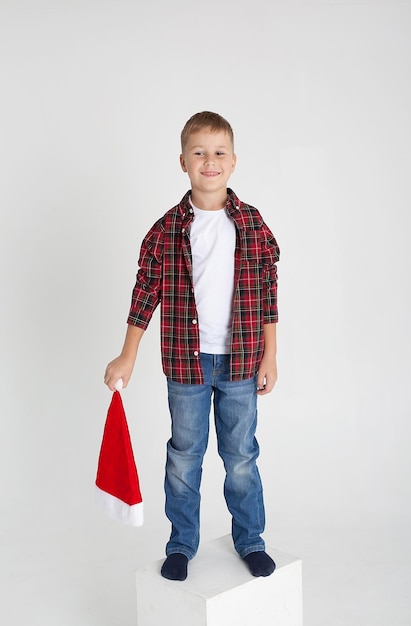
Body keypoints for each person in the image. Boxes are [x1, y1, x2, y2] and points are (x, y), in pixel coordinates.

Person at [104, 111, 280, 581]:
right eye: (199, 152)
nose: (209, 161)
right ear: (182, 161)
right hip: (187, 363)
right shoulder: (166, 230)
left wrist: (271, 353)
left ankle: (250, 540)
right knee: (185, 455)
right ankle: (181, 544)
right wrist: (128, 353)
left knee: (241, 455)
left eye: (219, 152)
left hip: (242, 360)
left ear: (234, 161)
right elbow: (146, 291)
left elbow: (267, 289)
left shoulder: (251, 223)